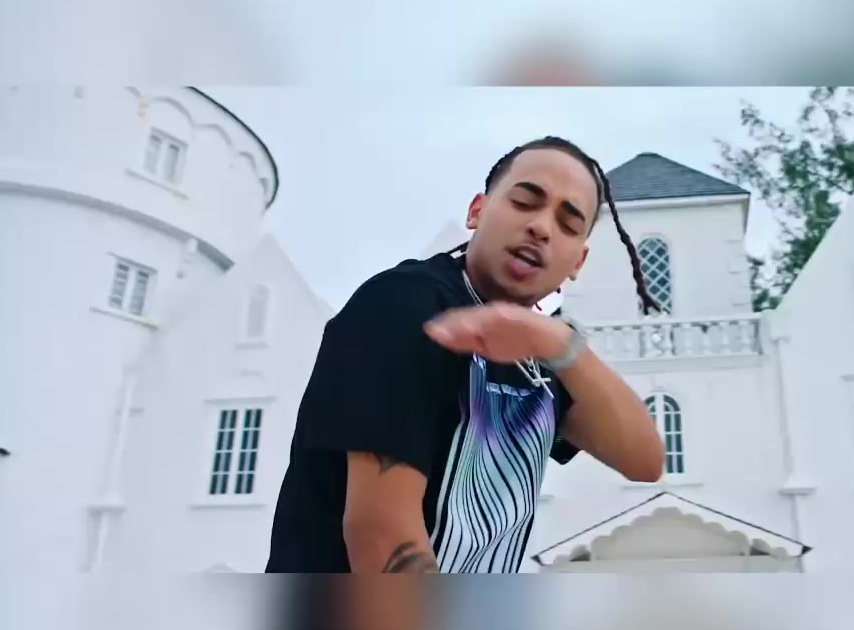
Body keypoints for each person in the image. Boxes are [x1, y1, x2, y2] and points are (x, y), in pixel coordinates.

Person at [265, 136, 665, 574]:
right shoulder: (403, 304)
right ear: (477, 211)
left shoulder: (539, 350)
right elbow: (380, 534)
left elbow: (643, 460)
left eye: (568, 225)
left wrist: (559, 342)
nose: (541, 227)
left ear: (577, 263)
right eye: (524, 202)